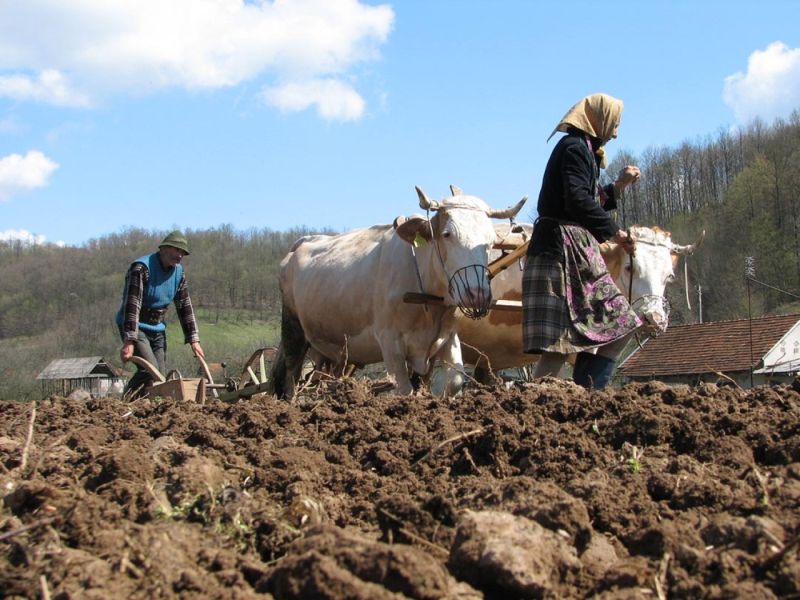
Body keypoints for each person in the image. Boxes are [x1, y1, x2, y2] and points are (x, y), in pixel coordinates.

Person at [523, 93, 641, 389]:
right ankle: (573, 396)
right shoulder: (575, 148)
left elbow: (582, 199)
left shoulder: (582, 150)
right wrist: (616, 233)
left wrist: (618, 186)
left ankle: (587, 391)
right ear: (599, 120)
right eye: (614, 123)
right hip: (561, 251)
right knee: (559, 344)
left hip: (569, 249)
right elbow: (577, 201)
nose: (616, 131)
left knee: (590, 335)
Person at [115, 230, 205, 397]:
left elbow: (184, 305)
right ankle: (125, 401)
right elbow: (132, 305)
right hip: (136, 326)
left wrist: (194, 339)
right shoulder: (142, 268)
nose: (179, 256)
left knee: (160, 377)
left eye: (183, 253)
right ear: (164, 249)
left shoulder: (178, 273)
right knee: (151, 369)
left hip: (157, 328)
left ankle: (146, 404)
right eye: (176, 250)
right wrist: (129, 339)